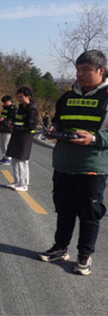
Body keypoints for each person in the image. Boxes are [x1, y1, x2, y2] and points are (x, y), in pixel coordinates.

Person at [39, 50, 108, 275]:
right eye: (78, 70)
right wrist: (53, 130)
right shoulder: (67, 97)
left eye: (86, 70)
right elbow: (59, 122)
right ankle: (60, 248)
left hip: (92, 167)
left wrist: (95, 138)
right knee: (64, 211)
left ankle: (84, 256)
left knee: (89, 214)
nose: (80, 74)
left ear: (101, 71)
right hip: (63, 165)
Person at [5, 87, 38, 192]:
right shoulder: (20, 107)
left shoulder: (32, 109)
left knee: (22, 161)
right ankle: (16, 181)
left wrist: (16, 127)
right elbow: (17, 119)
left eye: (21, 97)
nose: (18, 99)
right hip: (16, 135)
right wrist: (12, 122)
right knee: (14, 160)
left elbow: (31, 126)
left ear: (28, 97)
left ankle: (24, 184)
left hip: (25, 137)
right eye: (18, 97)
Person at [0, 95, 17, 165]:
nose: (4, 103)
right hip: (3, 128)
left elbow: (14, 119)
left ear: (9, 101)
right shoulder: (5, 108)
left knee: (6, 145)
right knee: (2, 144)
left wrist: (5, 120)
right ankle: (4, 157)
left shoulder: (13, 109)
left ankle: (8, 159)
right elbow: (3, 116)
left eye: (5, 102)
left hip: (9, 129)